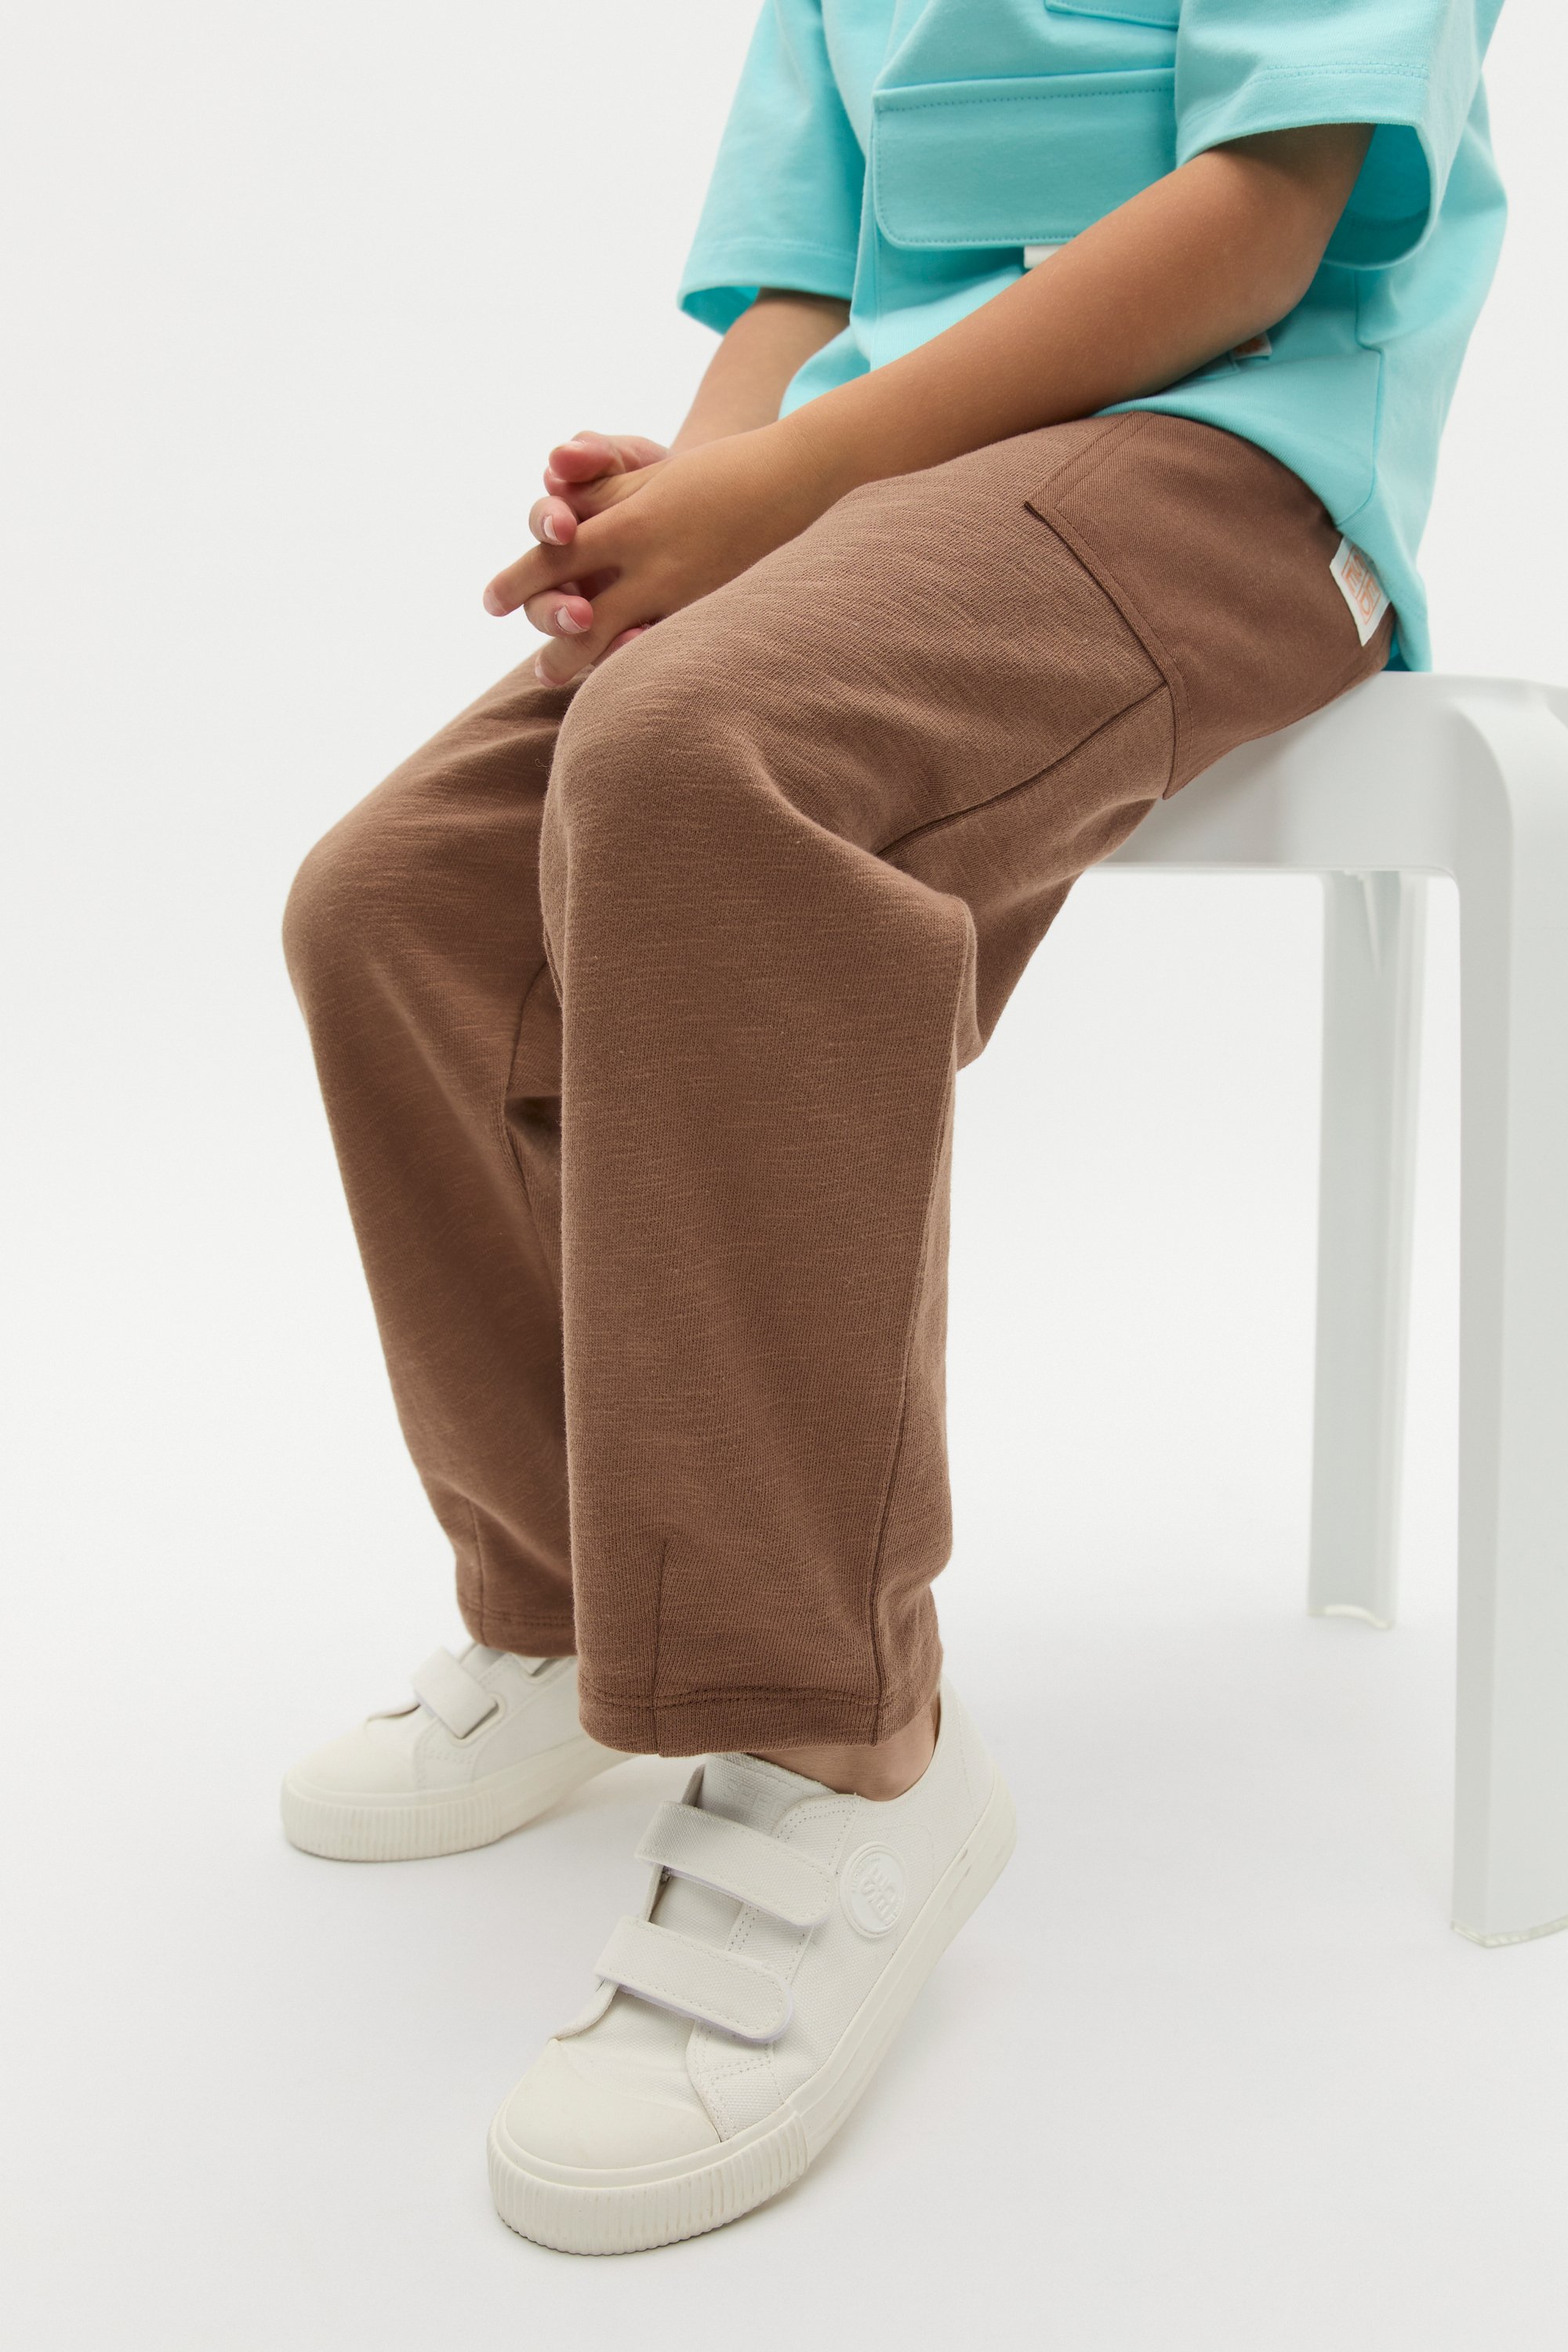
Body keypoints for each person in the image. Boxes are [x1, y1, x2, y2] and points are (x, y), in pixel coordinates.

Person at [279, 0, 1506, 2257]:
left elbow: (1265, 219)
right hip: (882, 487)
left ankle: (844, 1749)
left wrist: (786, 491)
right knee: (396, 912)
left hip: (1227, 465)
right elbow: (797, 285)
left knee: (705, 769)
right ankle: (567, 1612)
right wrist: (686, 510)